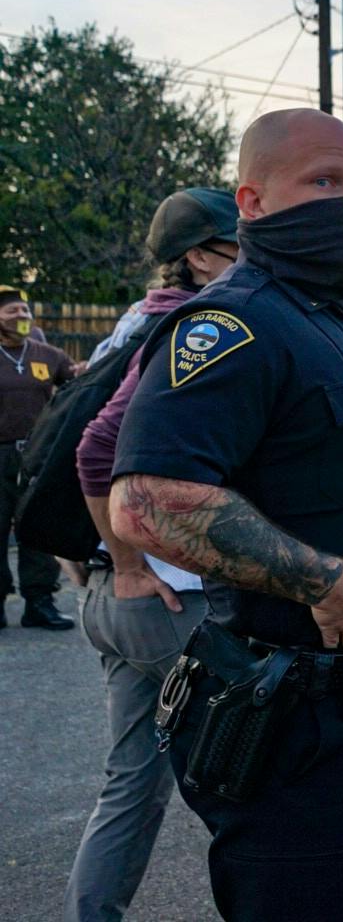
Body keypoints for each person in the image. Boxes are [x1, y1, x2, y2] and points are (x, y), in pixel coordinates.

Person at [108, 108, 343, 922]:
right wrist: (325, 578)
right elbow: (146, 503)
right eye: (324, 181)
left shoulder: (334, 322)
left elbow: (308, 469)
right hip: (292, 725)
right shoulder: (236, 321)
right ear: (251, 202)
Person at [66, 186, 238, 922]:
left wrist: (99, 561)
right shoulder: (193, 328)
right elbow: (94, 448)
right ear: (200, 258)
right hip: (167, 595)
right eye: (243, 247)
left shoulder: (135, 322)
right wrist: (131, 562)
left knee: (131, 786)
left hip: (115, 596)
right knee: (257, 785)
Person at [0, 284, 76, 630]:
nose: (22, 317)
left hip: (36, 454)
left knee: (36, 526)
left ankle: (40, 603)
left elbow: (76, 387)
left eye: (25, 312)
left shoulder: (48, 355)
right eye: (13, 312)